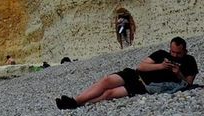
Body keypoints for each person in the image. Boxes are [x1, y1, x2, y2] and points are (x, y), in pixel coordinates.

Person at [56, 37, 197, 109]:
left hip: (144, 87)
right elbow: (141, 66)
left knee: (108, 94)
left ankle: (78, 104)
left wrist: (178, 73)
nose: (175, 55)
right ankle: (75, 101)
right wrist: (160, 66)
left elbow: (188, 83)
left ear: (185, 50)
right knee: (106, 81)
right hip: (135, 75)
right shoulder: (161, 54)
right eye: (172, 51)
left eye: (178, 53)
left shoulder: (190, 61)